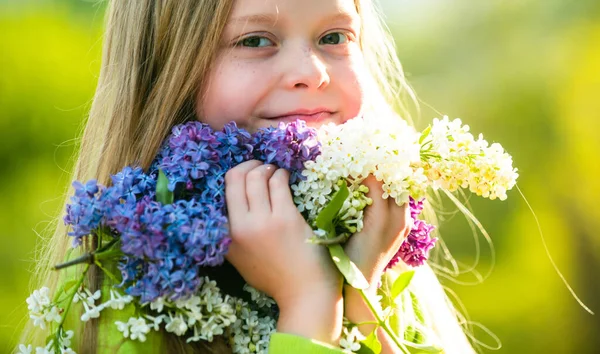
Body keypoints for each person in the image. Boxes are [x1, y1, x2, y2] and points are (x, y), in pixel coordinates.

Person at [20, 0, 477, 353]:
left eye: (334, 36)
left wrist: (362, 301)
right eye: (256, 41)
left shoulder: (377, 243)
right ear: (167, 67)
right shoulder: (121, 283)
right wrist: (310, 305)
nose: (310, 73)